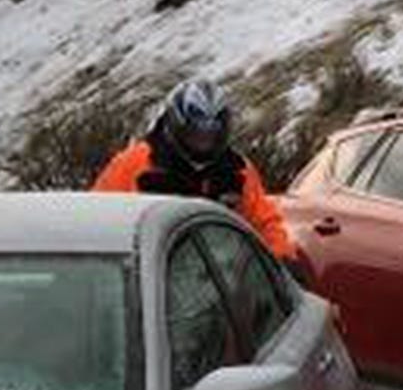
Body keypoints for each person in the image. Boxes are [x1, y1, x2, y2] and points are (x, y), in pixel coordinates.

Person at [93, 79, 291, 261]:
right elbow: (97, 216)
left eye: (211, 135)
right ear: (177, 126)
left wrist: (282, 261)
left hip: (221, 276)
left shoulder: (238, 171)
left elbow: (265, 223)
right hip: (150, 270)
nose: (203, 142)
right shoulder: (134, 164)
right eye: (196, 134)